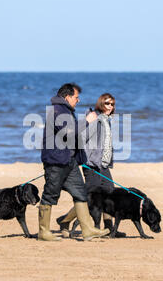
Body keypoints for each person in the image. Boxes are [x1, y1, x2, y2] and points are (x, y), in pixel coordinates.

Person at [38, 83, 110, 241]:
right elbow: (69, 133)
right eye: (76, 97)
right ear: (67, 97)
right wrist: (87, 121)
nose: (78, 100)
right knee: (50, 194)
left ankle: (88, 230)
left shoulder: (66, 111)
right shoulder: (57, 111)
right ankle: (43, 232)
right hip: (56, 162)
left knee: (81, 193)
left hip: (69, 161)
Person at [56, 93, 126, 237]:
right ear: (101, 103)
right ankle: (65, 220)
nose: (110, 107)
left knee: (109, 193)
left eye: (112, 104)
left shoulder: (106, 120)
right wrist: (83, 159)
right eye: (107, 103)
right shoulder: (95, 119)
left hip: (103, 165)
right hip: (92, 165)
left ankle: (109, 229)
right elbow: (81, 138)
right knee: (90, 198)